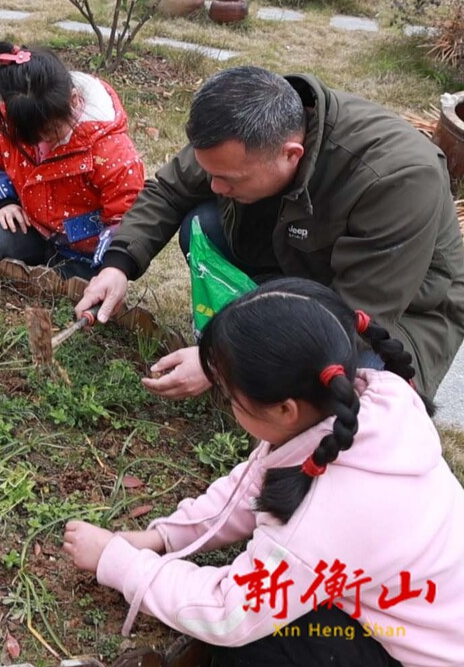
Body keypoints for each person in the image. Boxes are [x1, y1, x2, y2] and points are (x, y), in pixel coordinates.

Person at [64, 278, 464, 667]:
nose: (227, 403)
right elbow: (254, 483)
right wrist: (161, 536)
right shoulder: (370, 404)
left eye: (229, 396)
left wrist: (116, 562)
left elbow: (227, 613)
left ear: (285, 409)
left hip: (423, 654)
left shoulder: (319, 520)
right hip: (431, 610)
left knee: (256, 647)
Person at [75, 65, 464, 398]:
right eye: (210, 172)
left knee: (348, 394)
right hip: (302, 257)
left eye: (226, 178)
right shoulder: (246, 125)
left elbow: (355, 316)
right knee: (203, 223)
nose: (213, 186)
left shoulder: (398, 180)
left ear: (291, 154)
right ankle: (262, 327)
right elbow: (171, 189)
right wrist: (118, 264)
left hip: (400, 313)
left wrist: (222, 361)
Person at [0, 41, 144, 280]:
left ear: (74, 100)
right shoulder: (12, 120)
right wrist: (4, 203)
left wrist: (112, 266)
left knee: (70, 289)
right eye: (31, 136)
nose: (42, 140)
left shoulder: (111, 151)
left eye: (51, 131)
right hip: (33, 228)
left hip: (85, 251)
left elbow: (125, 217)